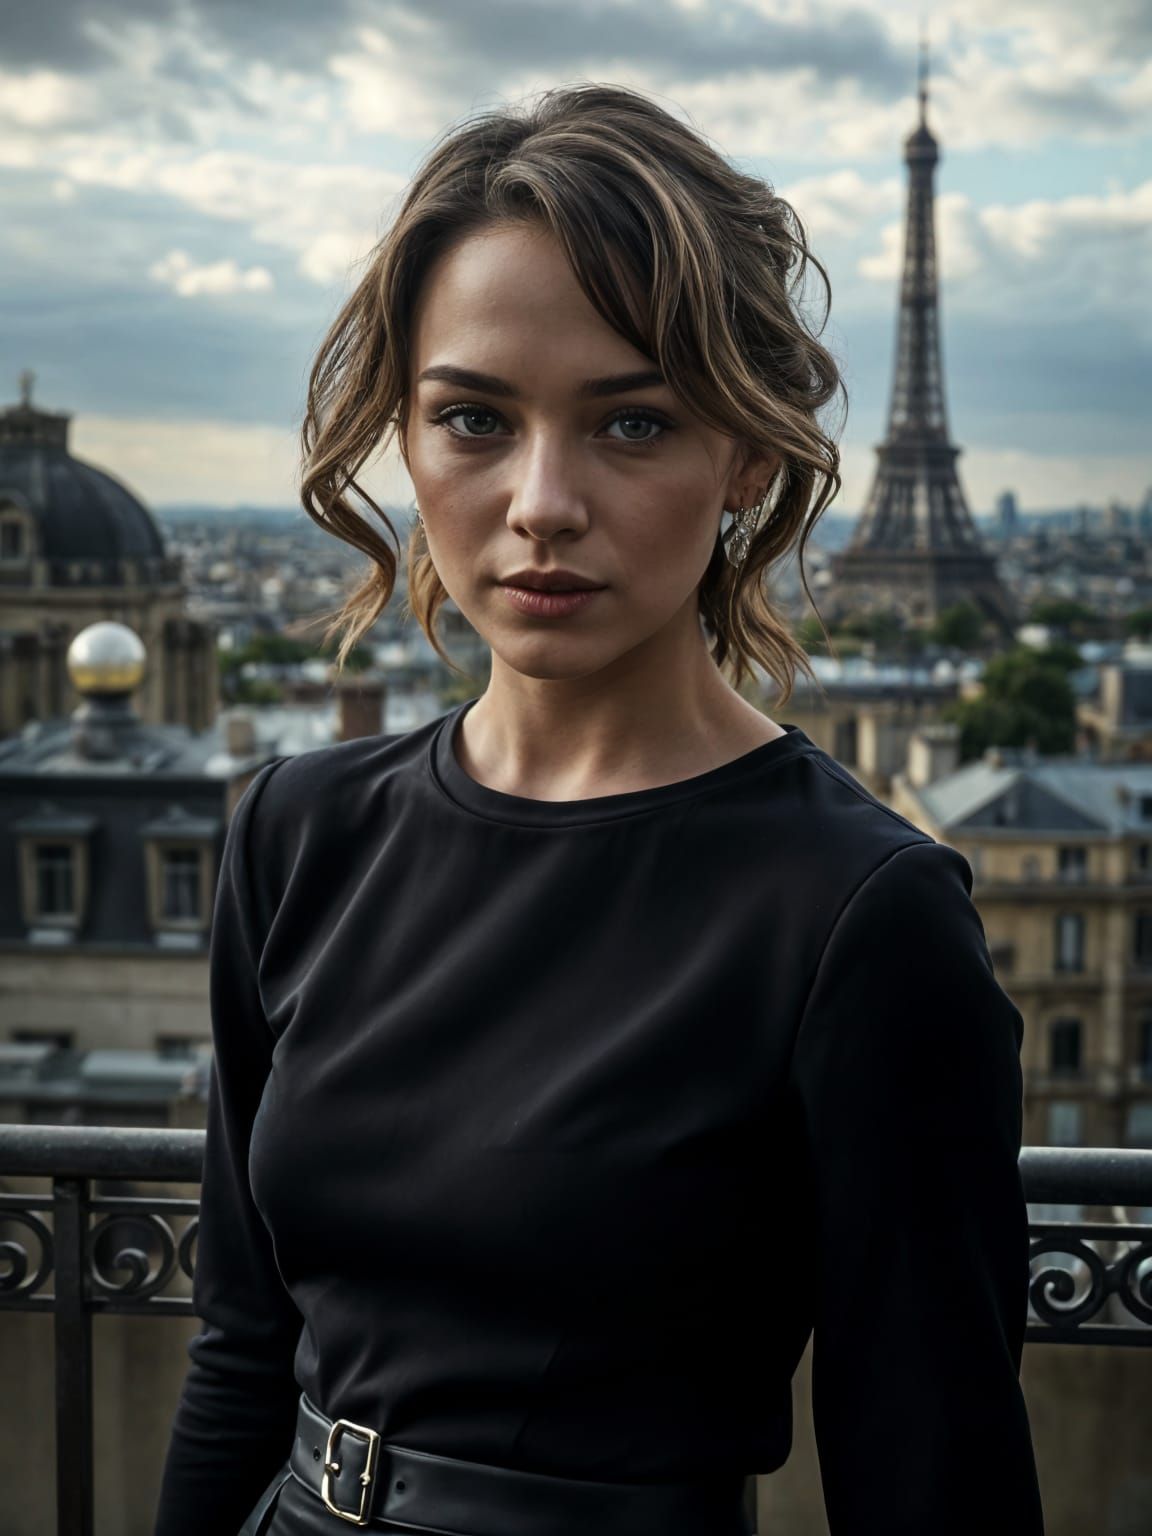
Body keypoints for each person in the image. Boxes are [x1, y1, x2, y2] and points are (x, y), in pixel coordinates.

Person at [154, 82, 1044, 1536]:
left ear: (748, 455)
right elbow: (244, 1349)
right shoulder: (298, 829)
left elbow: (932, 1469)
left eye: (632, 421)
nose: (542, 502)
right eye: (473, 418)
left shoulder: (857, 915)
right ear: (403, 438)